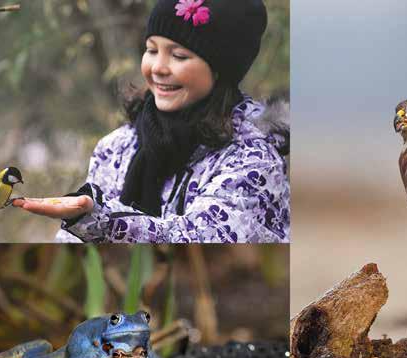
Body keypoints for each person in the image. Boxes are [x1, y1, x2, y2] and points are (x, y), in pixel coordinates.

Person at [14, 0, 289, 243]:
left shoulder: (254, 158)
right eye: (152, 50)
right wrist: (79, 220)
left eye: (179, 55)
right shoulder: (116, 148)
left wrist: (101, 221)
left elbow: (206, 235)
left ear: (221, 71)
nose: (158, 67)